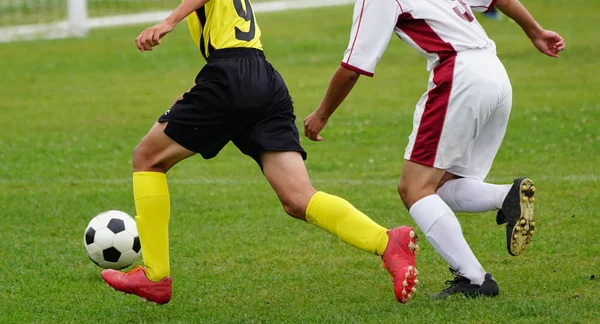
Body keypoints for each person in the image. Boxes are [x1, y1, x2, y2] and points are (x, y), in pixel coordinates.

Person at [100, 0, 420, 305]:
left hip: (232, 76)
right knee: (298, 198)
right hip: (263, 78)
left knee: (147, 158)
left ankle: (155, 277)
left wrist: (169, 21)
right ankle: (387, 241)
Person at [304, 0, 564, 299]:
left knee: (413, 188)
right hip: (494, 72)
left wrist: (321, 115)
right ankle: (506, 196)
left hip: (459, 75)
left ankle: (474, 279)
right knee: (440, 185)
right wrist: (536, 32)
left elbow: (353, 67)